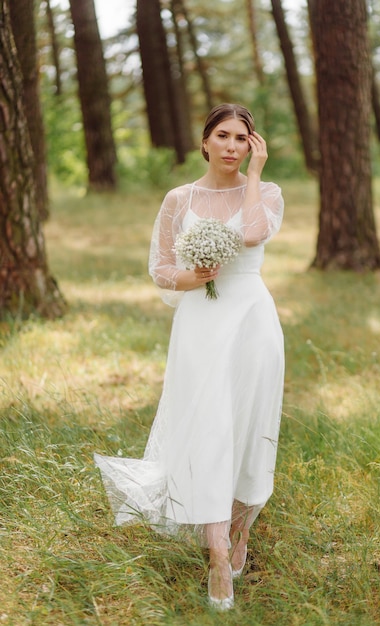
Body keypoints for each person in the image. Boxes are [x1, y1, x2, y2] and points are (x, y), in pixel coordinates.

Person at [94, 103, 285, 611]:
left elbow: (252, 234)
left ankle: (241, 530)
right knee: (208, 427)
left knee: (248, 425)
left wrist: (255, 176)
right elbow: (159, 267)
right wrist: (190, 277)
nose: (230, 146)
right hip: (200, 320)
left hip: (253, 319)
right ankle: (219, 554)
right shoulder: (180, 198)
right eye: (222, 136)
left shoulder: (265, 193)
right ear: (205, 142)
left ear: (252, 146)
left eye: (241, 139)